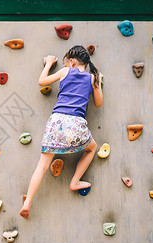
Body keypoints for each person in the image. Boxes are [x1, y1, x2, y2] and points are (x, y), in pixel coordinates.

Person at [20, 45, 103, 219]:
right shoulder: (91, 78)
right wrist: (98, 82)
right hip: (76, 124)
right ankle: (75, 181)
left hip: (57, 122)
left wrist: (49, 64)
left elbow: (42, 81)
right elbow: (98, 103)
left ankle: (27, 202)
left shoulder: (65, 72)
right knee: (92, 148)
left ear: (71, 62)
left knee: (42, 166)